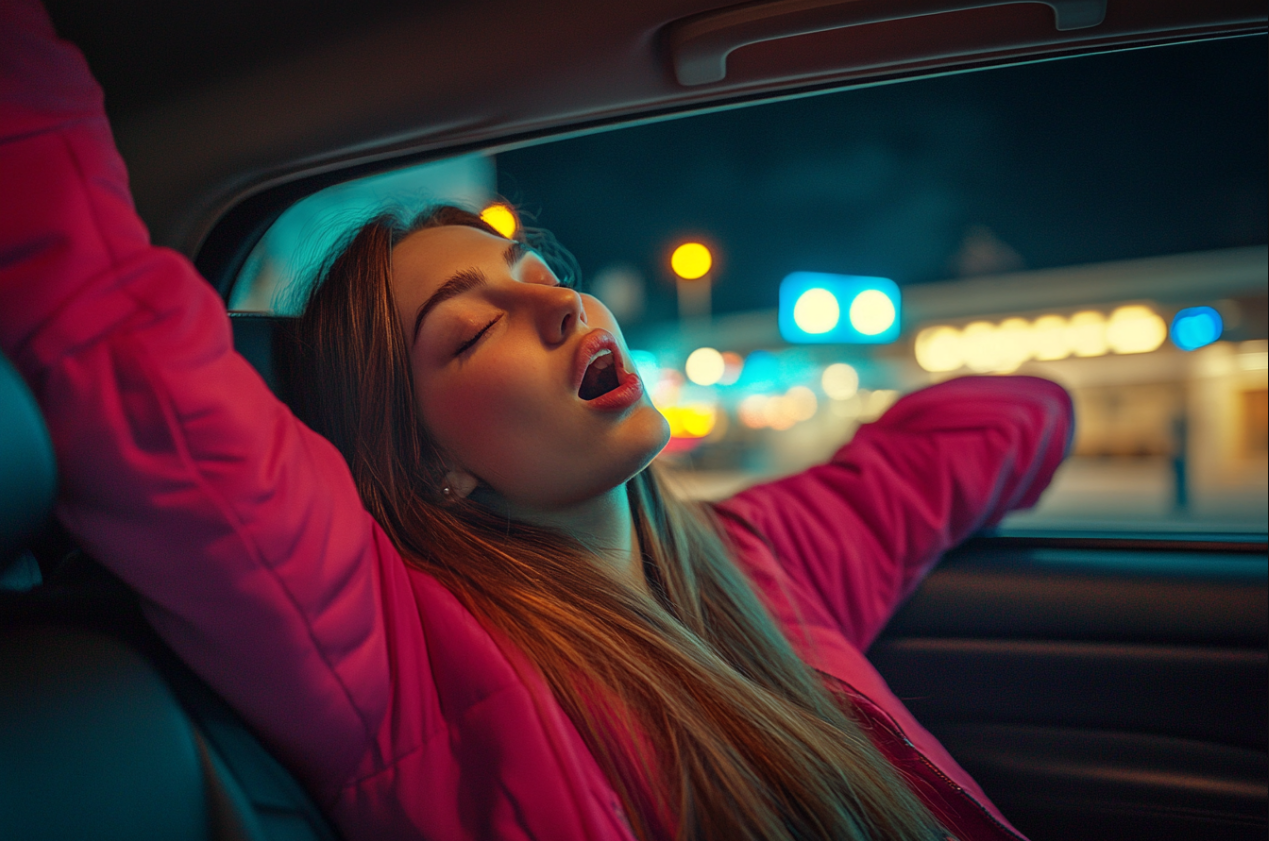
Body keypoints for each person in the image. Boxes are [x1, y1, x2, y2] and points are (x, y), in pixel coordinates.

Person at [0, 3, 1072, 839]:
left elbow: (998, 421)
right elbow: (108, 322)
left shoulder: (752, 560)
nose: (561, 302)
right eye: (470, 334)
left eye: (536, 271)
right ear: (429, 465)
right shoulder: (402, 656)